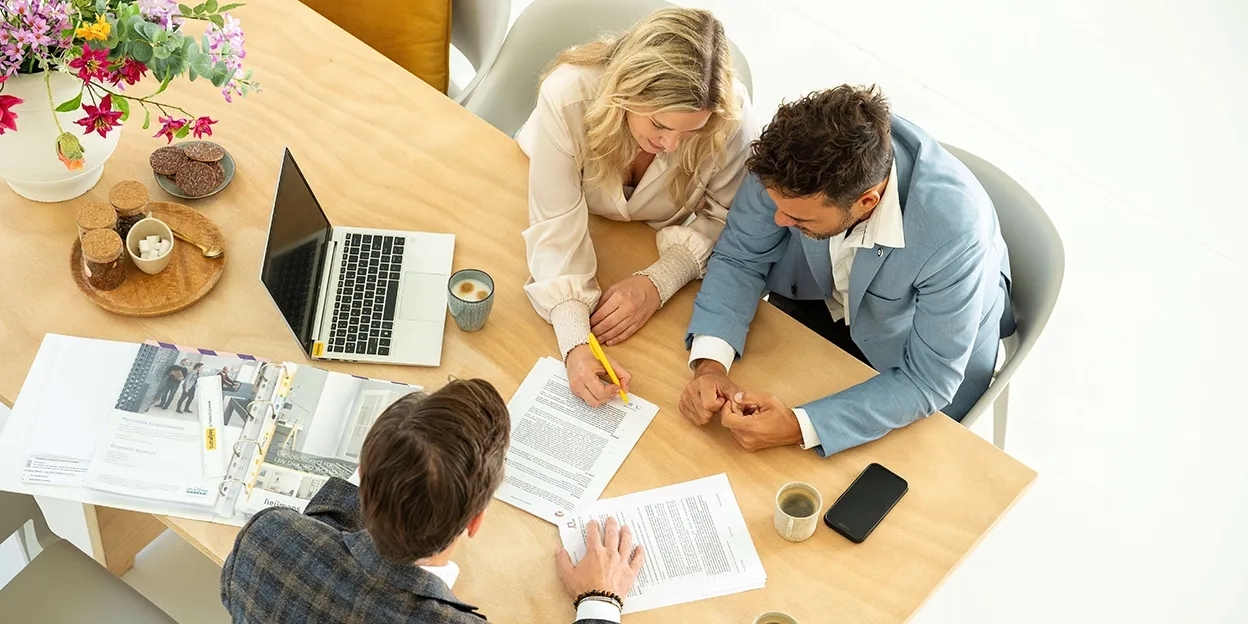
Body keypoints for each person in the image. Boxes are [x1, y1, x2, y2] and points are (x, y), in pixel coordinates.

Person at [680, 85, 1015, 457]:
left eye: (797, 217)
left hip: (909, 352)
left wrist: (801, 427)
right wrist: (709, 366)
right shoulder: (789, 162)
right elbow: (742, 257)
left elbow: (927, 380)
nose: (778, 220)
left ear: (866, 200)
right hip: (816, 294)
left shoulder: (954, 234)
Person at [221, 379, 645, 623]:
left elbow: (324, 534)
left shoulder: (267, 536)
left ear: (363, 476)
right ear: (475, 522)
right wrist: (599, 600)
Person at [517, 7, 756, 407]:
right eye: (660, 125)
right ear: (626, 91)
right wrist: (576, 345)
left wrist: (658, 282)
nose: (672, 146)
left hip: (641, 245)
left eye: (690, 131)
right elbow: (554, 226)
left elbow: (727, 219)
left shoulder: (730, 119)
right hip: (538, 198)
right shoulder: (567, 96)